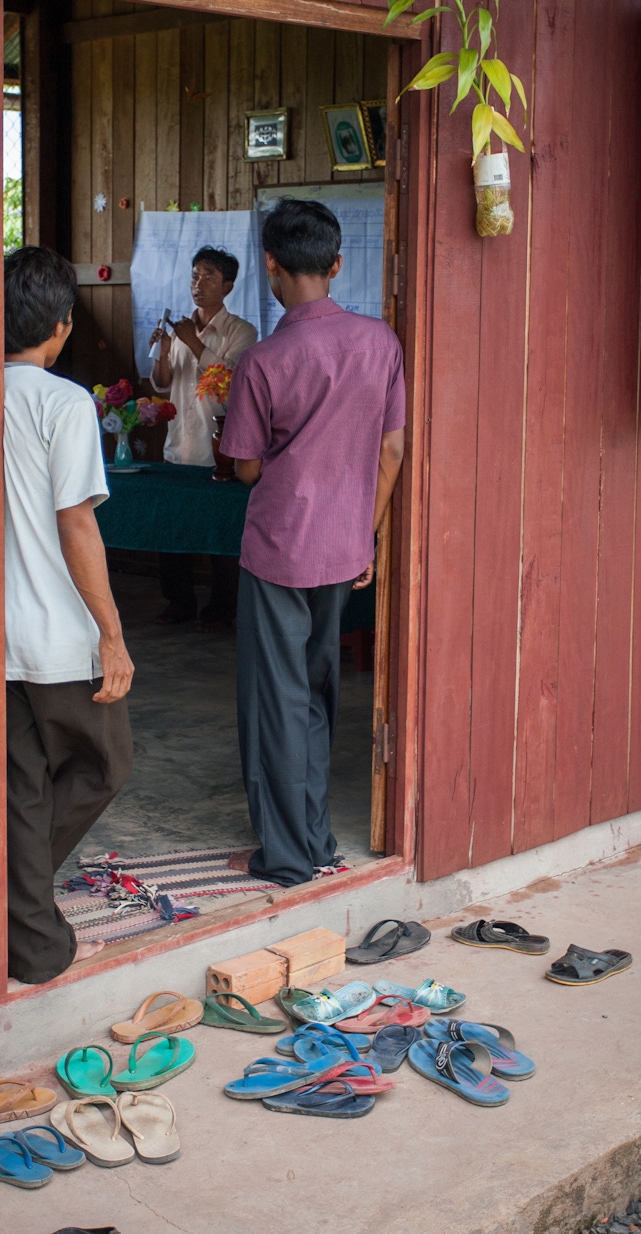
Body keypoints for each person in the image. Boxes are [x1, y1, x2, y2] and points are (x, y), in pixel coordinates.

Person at [221, 200, 405, 887]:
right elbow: (393, 448)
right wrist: (368, 535)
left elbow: (243, 466)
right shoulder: (380, 343)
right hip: (344, 549)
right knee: (318, 697)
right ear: (335, 264)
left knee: (275, 702)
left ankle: (287, 855)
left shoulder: (263, 360)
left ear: (270, 266)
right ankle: (318, 838)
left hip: (277, 549)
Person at [3, 245, 134, 984]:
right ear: (59, 327)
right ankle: (20, 909)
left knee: (23, 785)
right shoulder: (62, 401)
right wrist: (112, 636)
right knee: (105, 763)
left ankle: (28, 936)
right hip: (55, 635)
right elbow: (76, 522)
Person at [149, 245, 257, 630]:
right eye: (195, 275)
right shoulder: (178, 330)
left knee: (221, 536)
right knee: (171, 530)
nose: (198, 283)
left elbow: (229, 381)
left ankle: (221, 609)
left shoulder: (241, 331)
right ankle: (179, 603)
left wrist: (192, 341)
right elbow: (163, 386)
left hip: (220, 452)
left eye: (209, 276)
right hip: (179, 444)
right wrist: (163, 352)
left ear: (227, 286)